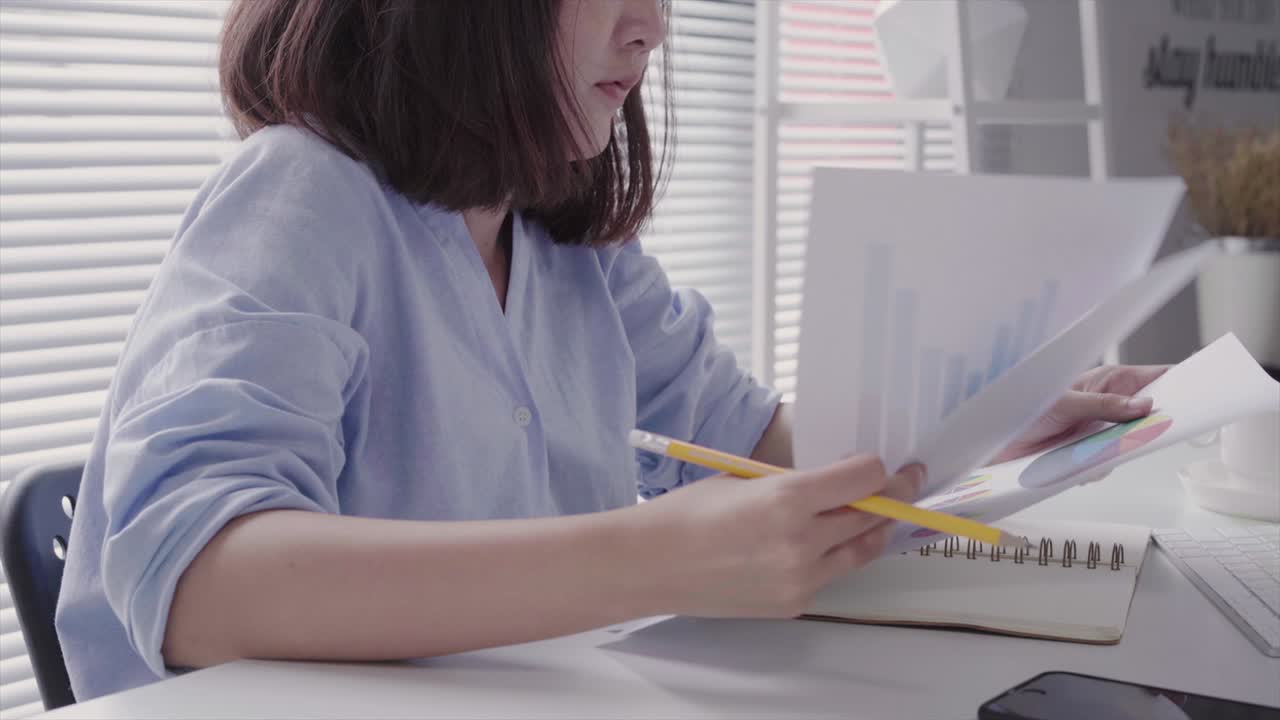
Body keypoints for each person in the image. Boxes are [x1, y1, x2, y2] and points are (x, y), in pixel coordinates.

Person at [54, 0, 1166, 701]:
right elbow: (197, 586)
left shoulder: (565, 241)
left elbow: (760, 446)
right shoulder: (302, 195)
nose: (653, 25)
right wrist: (661, 556)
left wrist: (990, 414)